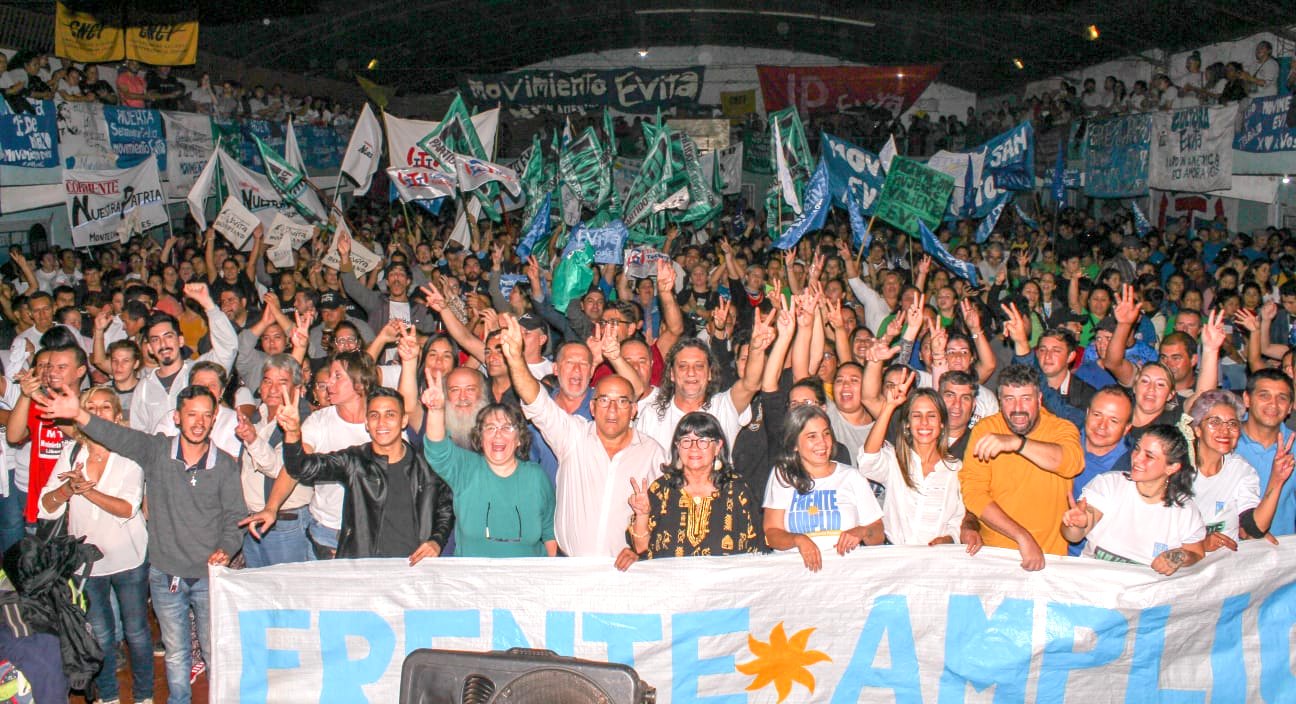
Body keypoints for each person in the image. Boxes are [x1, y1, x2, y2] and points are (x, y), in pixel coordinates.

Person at [34, 384, 244, 704]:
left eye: (205, 415)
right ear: (177, 417)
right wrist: (78, 412)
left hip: (209, 576)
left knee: (214, 650)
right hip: (165, 575)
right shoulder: (156, 451)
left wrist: (227, 549)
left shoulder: (225, 464)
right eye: (191, 415)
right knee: (174, 654)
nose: (198, 422)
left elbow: (235, 518)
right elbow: (118, 436)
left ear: (215, 419)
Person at [501, 314, 663, 557]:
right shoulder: (573, 436)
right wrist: (515, 358)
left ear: (634, 409)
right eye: (604, 400)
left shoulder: (651, 452)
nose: (612, 409)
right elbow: (536, 399)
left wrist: (641, 549)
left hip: (627, 571)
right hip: (569, 571)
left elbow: (665, 513)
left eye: (622, 402)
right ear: (592, 407)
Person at [242, 382, 455, 563]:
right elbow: (301, 467)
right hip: (364, 569)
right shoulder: (355, 461)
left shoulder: (425, 465)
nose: (381, 423)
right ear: (366, 424)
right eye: (374, 415)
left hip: (412, 569)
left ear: (403, 421)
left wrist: (436, 541)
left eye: (390, 415)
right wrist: (292, 434)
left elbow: (445, 507)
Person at [36, 387, 152, 704]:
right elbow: (45, 507)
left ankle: (144, 696)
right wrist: (66, 490)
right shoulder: (72, 453)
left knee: (137, 633)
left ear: (117, 417)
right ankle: (109, 697)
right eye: (90, 406)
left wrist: (85, 491)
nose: (98, 412)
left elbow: (127, 508)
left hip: (130, 560)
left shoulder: (130, 454)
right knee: (99, 634)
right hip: (87, 564)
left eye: (105, 407)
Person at [959, 364, 1085, 570]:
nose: (1017, 408)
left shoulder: (1061, 429)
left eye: (1026, 398)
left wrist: (1017, 443)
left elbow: (1071, 463)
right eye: (1009, 399)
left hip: (1049, 557)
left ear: (1039, 399)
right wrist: (1022, 536)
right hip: (994, 556)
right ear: (1000, 402)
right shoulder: (987, 429)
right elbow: (973, 494)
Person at [421, 368, 556, 558]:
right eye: (490, 428)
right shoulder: (466, 469)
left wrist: (549, 573)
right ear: (480, 438)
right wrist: (436, 410)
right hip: (472, 582)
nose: (498, 434)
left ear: (519, 439)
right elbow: (437, 451)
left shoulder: (535, 476)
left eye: (507, 427)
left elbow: (549, 531)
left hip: (525, 582)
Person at [615, 412, 759, 569]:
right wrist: (642, 514)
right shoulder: (661, 490)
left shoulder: (737, 492)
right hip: (671, 588)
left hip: (723, 590)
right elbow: (642, 549)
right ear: (677, 446)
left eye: (703, 441)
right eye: (686, 441)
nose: (694, 448)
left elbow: (756, 552)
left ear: (717, 447)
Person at [1062, 425, 1206, 574]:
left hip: (1145, 593)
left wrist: (1179, 556)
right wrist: (1076, 524)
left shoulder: (1184, 510)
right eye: (1137, 449)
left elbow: (1197, 553)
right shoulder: (1109, 484)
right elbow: (1074, 535)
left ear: (1172, 467)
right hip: (1094, 585)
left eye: (1149, 456)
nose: (1137, 458)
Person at [762, 405, 884, 572]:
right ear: (794, 444)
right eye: (812, 436)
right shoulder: (783, 475)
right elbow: (772, 534)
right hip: (793, 578)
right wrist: (798, 540)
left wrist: (862, 532)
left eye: (826, 434)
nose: (822, 442)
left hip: (844, 575)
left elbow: (878, 535)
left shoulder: (852, 477)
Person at [858, 380, 969, 547]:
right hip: (895, 557)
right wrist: (889, 407)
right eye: (917, 415)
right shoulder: (895, 459)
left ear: (941, 423)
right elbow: (868, 461)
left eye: (931, 415)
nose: (924, 422)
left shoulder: (955, 468)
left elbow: (957, 519)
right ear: (907, 424)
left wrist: (948, 539)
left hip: (936, 560)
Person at [234, 354, 316, 567]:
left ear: (296, 389)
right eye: (267, 381)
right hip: (252, 522)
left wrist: (252, 439)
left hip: (285, 523)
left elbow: (283, 468)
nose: (272, 389)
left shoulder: (304, 421)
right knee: (260, 594)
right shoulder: (257, 416)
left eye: (282, 383)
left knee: (288, 594)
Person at [1187, 390, 1292, 549]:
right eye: (1215, 422)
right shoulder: (1176, 468)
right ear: (1197, 429)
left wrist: (1276, 480)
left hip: (1224, 567)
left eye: (1232, 424)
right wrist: (1200, 544)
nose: (1225, 430)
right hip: (1180, 567)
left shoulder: (1241, 469)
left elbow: (1253, 528)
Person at [129, 283, 237, 433]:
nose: (163, 344)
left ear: (180, 340)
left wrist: (208, 304)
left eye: (168, 337)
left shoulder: (199, 372)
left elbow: (228, 347)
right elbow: (139, 434)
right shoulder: (144, 388)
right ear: (149, 348)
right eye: (155, 340)